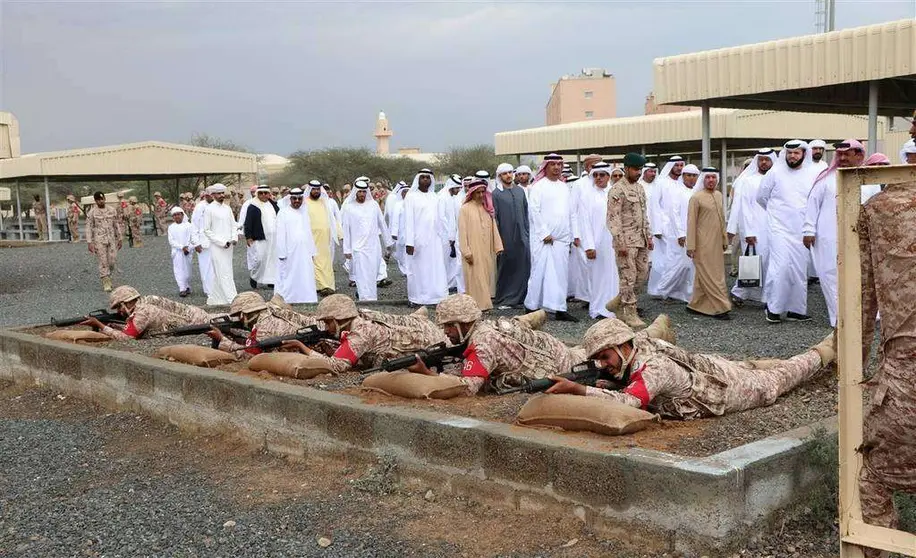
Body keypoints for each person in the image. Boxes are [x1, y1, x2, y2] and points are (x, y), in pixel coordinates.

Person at [546, 316, 835, 419]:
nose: (603, 365)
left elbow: (632, 401)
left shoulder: (654, 367)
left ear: (624, 346)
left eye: (605, 357)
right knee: (744, 365)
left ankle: (825, 351)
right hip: (704, 367)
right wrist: (606, 382)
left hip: (721, 391)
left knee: (776, 381)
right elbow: (628, 381)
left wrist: (580, 389)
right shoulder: (635, 351)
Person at [857, 171, 916, 550]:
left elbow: (861, 306)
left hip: (906, 384)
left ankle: (877, 546)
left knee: (872, 478)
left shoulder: (881, 207)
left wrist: (853, 367)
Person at [406, 294, 585, 395]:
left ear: (466, 323)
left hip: (562, 362)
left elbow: (467, 388)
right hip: (550, 349)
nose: (446, 331)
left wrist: (427, 374)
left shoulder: (483, 342)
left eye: (450, 326)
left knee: (593, 356)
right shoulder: (478, 329)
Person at [283, 294, 448, 374]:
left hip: (432, 340)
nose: (326, 327)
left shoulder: (361, 332)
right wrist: (327, 350)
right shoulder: (356, 326)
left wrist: (302, 347)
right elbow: (349, 356)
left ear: (338, 319)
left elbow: (337, 366)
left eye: (328, 322)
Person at [803, 139, 866, 328]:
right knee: (830, 275)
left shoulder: (867, 179)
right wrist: (808, 230)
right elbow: (812, 205)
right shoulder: (826, 179)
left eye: (848, 154)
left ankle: (859, 317)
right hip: (828, 236)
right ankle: (838, 318)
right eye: (840, 154)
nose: (843, 158)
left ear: (859, 155)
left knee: (859, 276)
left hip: (859, 237)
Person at [756, 140, 819, 323]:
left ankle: (796, 310)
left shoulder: (812, 173)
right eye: (790, 153)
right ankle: (773, 308)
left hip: (801, 230)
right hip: (779, 229)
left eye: (796, 153)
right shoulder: (775, 172)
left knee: (799, 270)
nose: (793, 156)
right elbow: (761, 197)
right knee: (781, 267)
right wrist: (777, 214)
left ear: (803, 154)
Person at [524, 154, 577, 322]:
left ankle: (559, 308)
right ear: (545, 167)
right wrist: (544, 233)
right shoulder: (538, 187)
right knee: (539, 273)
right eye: (552, 164)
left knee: (560, 276)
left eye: (559, 164)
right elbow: (534, 211)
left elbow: (569, 213)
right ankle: (531, 306)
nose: (556, 167)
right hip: (544, 239)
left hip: (561, 240)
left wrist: (570, 235)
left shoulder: (564, 187)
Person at [606, 153, 654, 328]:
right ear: (626, 168)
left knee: (641, 275)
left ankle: (617, 302)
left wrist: (648, 236)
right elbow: (613, 218)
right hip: (626, 241)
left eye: (640, 169)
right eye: (635, 169)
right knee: (628, 277)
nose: (638, 172)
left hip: (640, 239)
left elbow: (644, 214)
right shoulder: (617, 190)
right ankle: (630, 313)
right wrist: (620, 243)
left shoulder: (640, 188)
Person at [726, 148, 776, 305]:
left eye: (766, 160)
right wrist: (748, 232)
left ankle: (767, 297)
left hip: (775, 229)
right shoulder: (748, 181)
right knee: (756, 262)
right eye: (760, 159)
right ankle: (739, 292)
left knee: (772, 264)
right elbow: (744, 209)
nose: (763, 162)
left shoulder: (778, 178)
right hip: (755, 230)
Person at [83, 285, 213, 340]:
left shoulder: (142, 311)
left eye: (119, 306)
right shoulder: (146, 301)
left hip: (197, 322)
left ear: (127, 302)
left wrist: (101, 326)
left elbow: (127, 338)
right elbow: (140, 326)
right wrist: (117, 326)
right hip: (195, 315)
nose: (119, 311)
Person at [685, 168, 732, 319]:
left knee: (704, 275)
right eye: (708, 178)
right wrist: (690, 246)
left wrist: (724, 239)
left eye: (714, 177)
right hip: (702, 245)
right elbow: (691, 223)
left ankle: (696, 304)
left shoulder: (718, 195)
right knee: (713, 277)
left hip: (716, 243)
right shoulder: (696, 198)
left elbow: (721, 219)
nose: (711, 180)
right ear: (703, 180)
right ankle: (721, 307)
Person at [209, 291, 317, 356]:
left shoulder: (263, 330)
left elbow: (248, 356)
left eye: (238, 315)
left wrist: (222, 339)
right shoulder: (270, 312)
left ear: (244, 315)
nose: (238, 319)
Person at [579, 162, 620, 320]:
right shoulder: (587, 196)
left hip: (614, 243)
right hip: (596, 244)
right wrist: (589, 246)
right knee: (597, 278)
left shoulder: (614, 193)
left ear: (608, 176)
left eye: (602, 175)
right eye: (595, 175)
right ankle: (598, 310)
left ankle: (613, 309)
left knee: (615, 276)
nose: (598, 178)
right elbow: (584, 223)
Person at [402, 169, 448, 306]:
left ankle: (436, 297)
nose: (426, 180)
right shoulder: (411, 197)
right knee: (419, 269)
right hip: (418, 240)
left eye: (428, 178)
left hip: (434, 240)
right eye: (423, 178)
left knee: (435, 268)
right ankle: (418, 298)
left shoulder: (435, 196)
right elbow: (408, 221)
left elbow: (440, 219)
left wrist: (444, 238)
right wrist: (409, 242)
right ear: (418, 180)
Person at [341, 181, 392, 302]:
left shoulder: (373, 205)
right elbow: (346, 230)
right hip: (357, 248)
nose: (362, 194)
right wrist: (346, 249)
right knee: (361, 274)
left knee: (372, 274)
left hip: (373, 246)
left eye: (364, 191)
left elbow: (382, 224)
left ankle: (371, 297)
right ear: (355, 192)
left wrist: (388, 243)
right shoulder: (349, 207)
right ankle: (365, 298)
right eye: (359, 191)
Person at [458, 178, 503, 311]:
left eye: (483, 192)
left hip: (487, 250)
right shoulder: (465, 209)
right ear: (472, 193)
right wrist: (466, 252)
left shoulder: (487, 208)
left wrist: (498, 246)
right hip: (473, 250)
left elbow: (494, 228)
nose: (481, 195)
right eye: (478, 192)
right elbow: (462, 232)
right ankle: (477, 307)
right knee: (475, 279)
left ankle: (484, 305)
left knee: (486, 277)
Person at [492, 166, 531, 310]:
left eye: (510, 173)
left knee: (523, 266)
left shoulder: (520, 191)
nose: (508, 176)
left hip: (522, 236)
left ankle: (521, 298)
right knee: (506, 267)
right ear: (499, 176)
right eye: (504, 174)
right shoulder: (496, 194)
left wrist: (526, 233)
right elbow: (495, 218)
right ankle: (505, 299)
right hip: (505, 237)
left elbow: (526, 213)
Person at [647, 156, 685, 298]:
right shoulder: (661, 183)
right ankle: (658, 290)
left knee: (677, 260)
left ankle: (673, 289)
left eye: (681, 165)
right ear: (670, 166)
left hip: (679, 228)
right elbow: (654, 206)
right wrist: (656, 228)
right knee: (662, 261)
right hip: (664, 229)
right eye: (677, 165)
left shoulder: (681, 184)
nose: (679, 168)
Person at [273, 187, 319, 304]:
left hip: (304, 252)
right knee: (288, 276)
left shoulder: (304, 212)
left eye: (299, 198)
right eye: (294, 198)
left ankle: (307, 298)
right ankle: (288, 299)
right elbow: (280, 235)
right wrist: (282, 253)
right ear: (290, 199)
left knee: (305, 274)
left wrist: (312, 251)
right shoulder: (283, 213)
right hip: (289, 252)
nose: (297, 201)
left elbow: (308, 233)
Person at [568, 154, 602, 305]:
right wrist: (575, 234)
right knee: (587, 266)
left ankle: (599, 297)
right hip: (583, 233)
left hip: (601, 233)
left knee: (601, 267)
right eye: (595, 165)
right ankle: (590, 298)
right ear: (587, 167)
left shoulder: (604, 184)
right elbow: (573, 211)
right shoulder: (579, 185)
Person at [203, 183, 238, 306]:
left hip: (229, 246)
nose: (222, 195)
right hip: (217, 246)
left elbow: (234, 225)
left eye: (223, 193)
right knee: (223, 271)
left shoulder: (227, 208)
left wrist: (234, 238)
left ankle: (216, 298)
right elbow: (207, 230)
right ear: (212, 195)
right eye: (219, 193)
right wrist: (222, 242)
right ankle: (231, 298)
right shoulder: (209, 209)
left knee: (227, 271)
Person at [303, 180, 340, 296]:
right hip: (311, 238)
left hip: (325, 239)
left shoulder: (324, 202)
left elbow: (332, 219)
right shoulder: (304, 203)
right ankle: (320, 286)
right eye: (313, 189)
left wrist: (339, 234)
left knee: (326, 262)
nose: (316, 191)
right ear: (310, 190)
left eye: (318, 189)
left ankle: (328, 285)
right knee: (314, 261)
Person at [243, 185, 279, 290]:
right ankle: (254, 276)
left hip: (274, 238)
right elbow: (248, 223)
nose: (263, 195)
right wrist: (248, 237)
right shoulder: (253, 206)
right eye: (261, 193)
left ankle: (271, 281)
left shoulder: (273, 205)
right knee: (259, 258)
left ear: (269, 194)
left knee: (273, 259)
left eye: (265, 193)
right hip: (259, 237)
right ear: (257, 194)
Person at [85, 191, 122, 292]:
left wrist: (120, 238)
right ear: (95, 201)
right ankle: (106, 281)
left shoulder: (112, 210)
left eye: (102, 199)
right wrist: (89, 242)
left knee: (112, 260)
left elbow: (116, 224)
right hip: (99, 240)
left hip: (111, 239)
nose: (100, 201)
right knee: (103, 261)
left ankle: (109, 274)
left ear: (104, 199)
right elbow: (88, 227)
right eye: (98, 200)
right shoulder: (92, 212)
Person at [438, 175, 464, 293]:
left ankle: (450, 283)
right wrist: (450, 236)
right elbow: (442, 218)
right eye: (457, 188)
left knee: (451, 260)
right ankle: (444, 285)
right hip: (444, 235)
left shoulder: (451, 197)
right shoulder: (442, 197)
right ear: (452, 186)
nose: (459, 190)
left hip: (451, 235)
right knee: (444, 260)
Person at [190, 189, 213, 297]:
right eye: (207, 195)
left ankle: (218, 290)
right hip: (203, 243)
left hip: (217, 242)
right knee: (206, 268)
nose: (210, 197)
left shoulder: (218, 206)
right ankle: (209, 291)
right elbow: (194, 225)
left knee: (217, 267)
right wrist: (196, 243)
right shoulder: (200, 207)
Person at [167, 206, 193, 297]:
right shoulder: (171, 227)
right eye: (174, 215)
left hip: (188, 251)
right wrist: (182, 247)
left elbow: (192, 239)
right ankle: (182, 289)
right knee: (179, 270)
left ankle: (187, 286)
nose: (176, 216)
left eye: (178, 214)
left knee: (188, 271)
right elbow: (171, 241)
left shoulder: (189, 226)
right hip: (177, 252)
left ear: (182, 215)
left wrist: (188, 248)